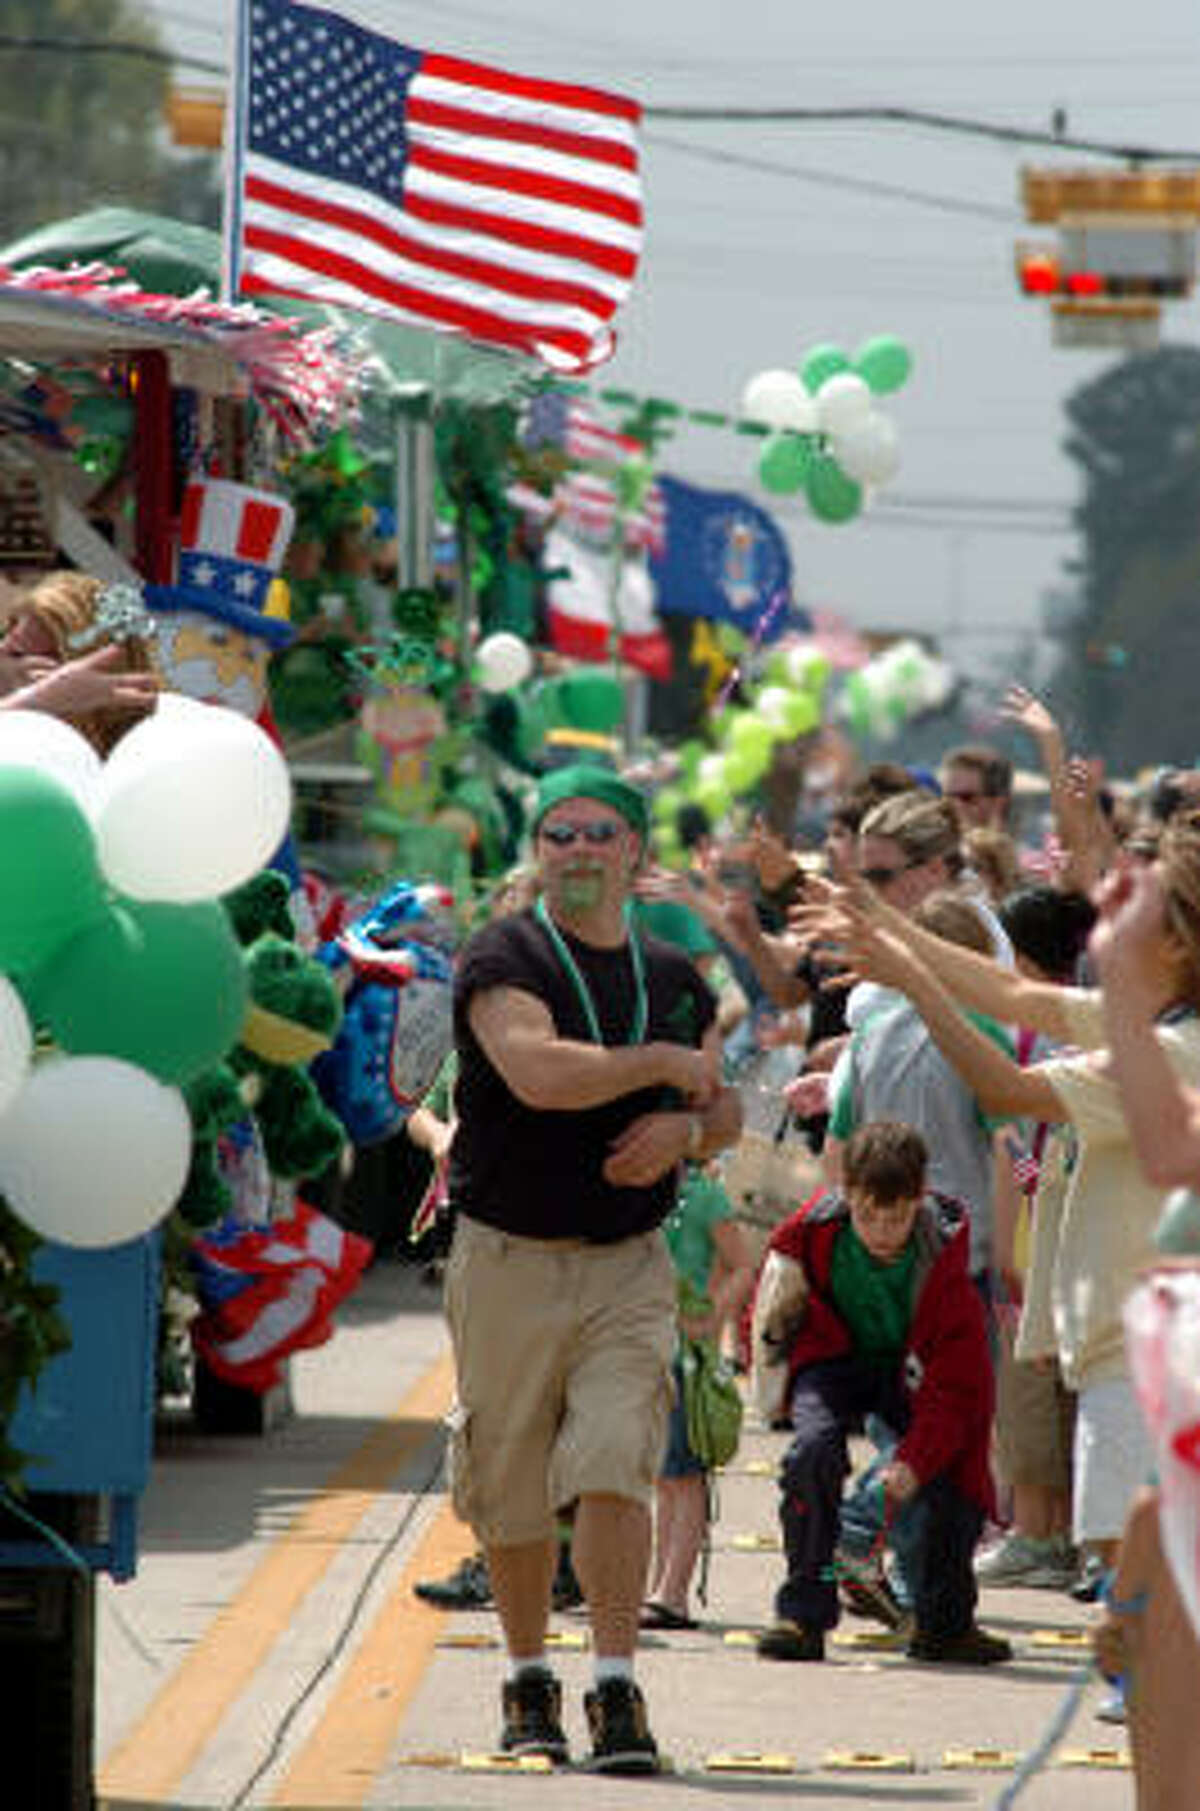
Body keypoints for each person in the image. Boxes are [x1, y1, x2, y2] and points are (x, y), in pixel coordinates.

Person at [443, 763, 742, 1771]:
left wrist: (686, 1132)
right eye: (558, 832)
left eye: (597, 832)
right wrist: (660, 1070)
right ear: (538, 848)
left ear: (635, 852)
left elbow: (725, 1103)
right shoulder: (504, 953)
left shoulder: (673, 973)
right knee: (512, 1481)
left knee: (617, 1456)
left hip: (628, 1263)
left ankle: (616, 1685)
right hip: (508, 1257)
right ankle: (528, 1676)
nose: (575, 849)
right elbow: (536, 1070)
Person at [818, 820, 1200, 1591]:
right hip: (1136, 1351)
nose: (1107, 913)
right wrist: (889, 925)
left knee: (1146, 1601)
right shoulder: (1157, 1024)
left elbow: (1005, 1087)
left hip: (1144, 1361)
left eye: (1134, 903)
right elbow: (1014, 992)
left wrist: (914, 981)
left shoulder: (1167, 1049)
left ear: (1177, 943)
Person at [754, 1121, 1009, 1666]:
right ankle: (804, 1611)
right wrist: (772, 1380)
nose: (881, 1232)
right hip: (832, 1361)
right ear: (846, 1195)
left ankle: (945, 1624)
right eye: (867, 1215)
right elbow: (776, 1309)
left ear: (920, 1199)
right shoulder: (816, 1232)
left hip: (912, 1372)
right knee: (812, 1455)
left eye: (896, 1217)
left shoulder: (944, 1259)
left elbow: (958, 1390)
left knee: (951, 1472)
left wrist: (913, 1461)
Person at [642, 1161, 754, 1630]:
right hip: (647, 1350)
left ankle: (674, 1593)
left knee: (684, 1478)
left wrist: (710, 1320)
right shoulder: (643, 1188)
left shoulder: (703, 1195)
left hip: (685, 1358)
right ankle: (658, 1587)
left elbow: (743, 1266)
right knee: (664, 1480)